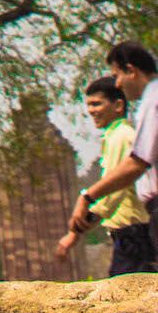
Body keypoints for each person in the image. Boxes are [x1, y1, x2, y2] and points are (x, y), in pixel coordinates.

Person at [55, 78, 154, 276]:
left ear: (118, 105)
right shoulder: (114, 137)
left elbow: (113, 193)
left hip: (134, 236)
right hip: (129, 236)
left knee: (124, 299)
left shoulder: (121, 137)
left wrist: (77, 229)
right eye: (89, 105)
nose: (91, 110)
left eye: (97, 104)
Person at [68, 42, 158, 251]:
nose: (117, 84)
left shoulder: (152, 103)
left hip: (134, 231)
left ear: (132, 71)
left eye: (117, 75)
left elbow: (136, 164)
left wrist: (88, 198)